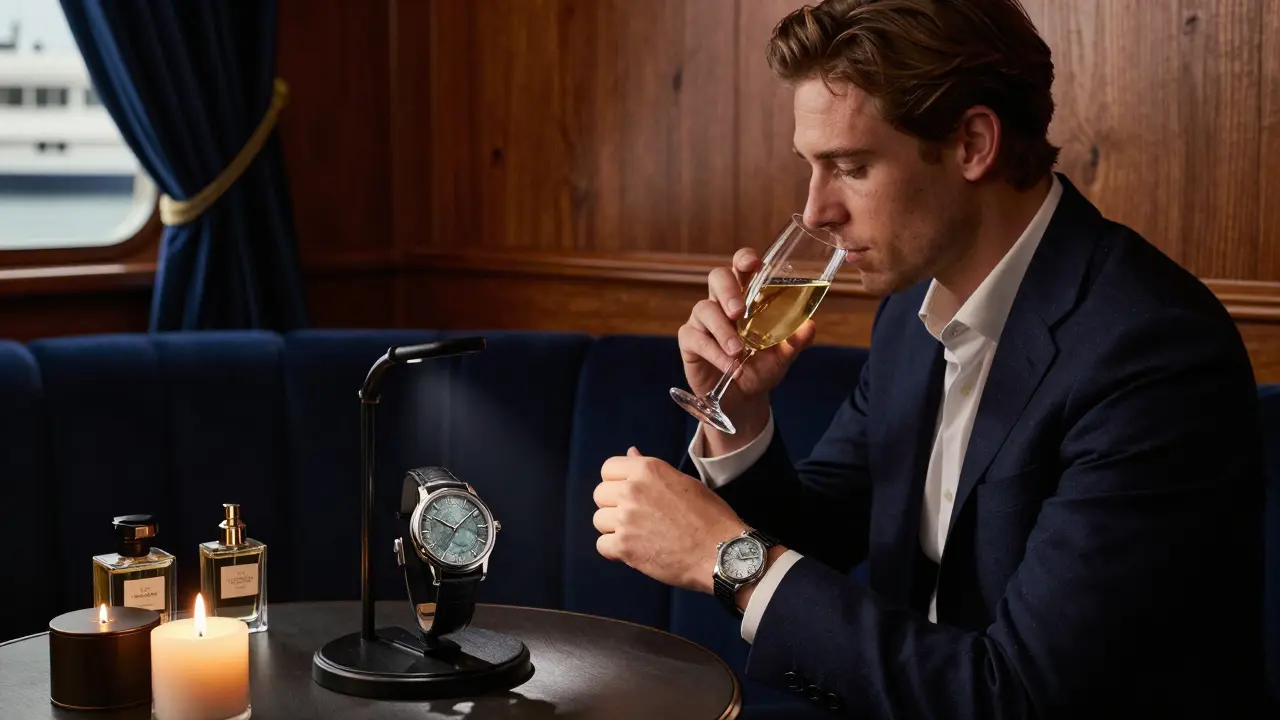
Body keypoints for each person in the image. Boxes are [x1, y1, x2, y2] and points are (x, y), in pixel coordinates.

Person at [590, 0, 1273, 717]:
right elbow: (821, 534)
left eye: (849, 166)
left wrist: (729, 560)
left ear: (974, 143)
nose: (816, 211)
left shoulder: (1152, 354)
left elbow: (1022, 697)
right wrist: (739, 413)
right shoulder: (913, 319)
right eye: (811, 167)